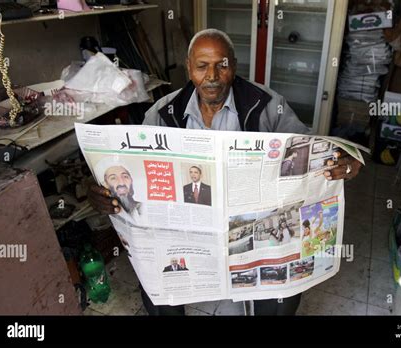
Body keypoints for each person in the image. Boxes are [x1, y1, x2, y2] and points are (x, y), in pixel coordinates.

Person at [88, 28, 362, 316]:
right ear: (188, 68)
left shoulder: (267, 105)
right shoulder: (162, 113)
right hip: (188, 232)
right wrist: (102, 193)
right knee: (156, 287)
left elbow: (307, 150)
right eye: (202, 66)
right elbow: (134, 173)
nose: (213, 75)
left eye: (222, 64)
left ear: (234, 65)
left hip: (249, 227)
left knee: (284, 293)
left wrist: (343, 161)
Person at [92, 158, 143, 226]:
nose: (121, 182)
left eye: (125, 176)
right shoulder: (111, 208)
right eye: (113, 178)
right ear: (106, 184)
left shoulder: (144, 206)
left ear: (131, 180)